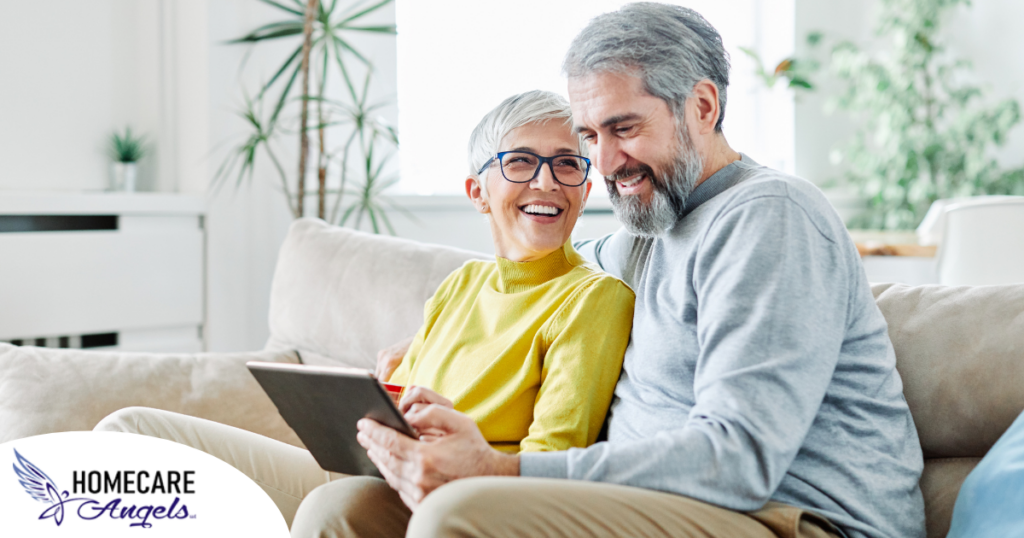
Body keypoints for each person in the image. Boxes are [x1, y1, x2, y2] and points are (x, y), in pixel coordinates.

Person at [356, 4, 926, 538]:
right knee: (349, 510)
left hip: (793, 517)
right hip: (671, 507)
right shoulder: (649, 230)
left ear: (703, 108)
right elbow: (537, 278)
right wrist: (431, 339)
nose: (602, 163)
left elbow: (738, 459)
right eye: (590, 136)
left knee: (458, 513)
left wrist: (502, 470)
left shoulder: (769, 218)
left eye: (624, 128)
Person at [94, 90, 635, 533]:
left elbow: (553, 459)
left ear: (585, 189)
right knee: (129, 430)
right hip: (371, 469)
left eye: (567, 166)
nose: (546, 182)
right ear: (478, 192)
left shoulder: (594, 299)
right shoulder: (464, 282)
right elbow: (413, 398)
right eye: (520, 162)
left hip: (451, 499)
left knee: (335, 508)